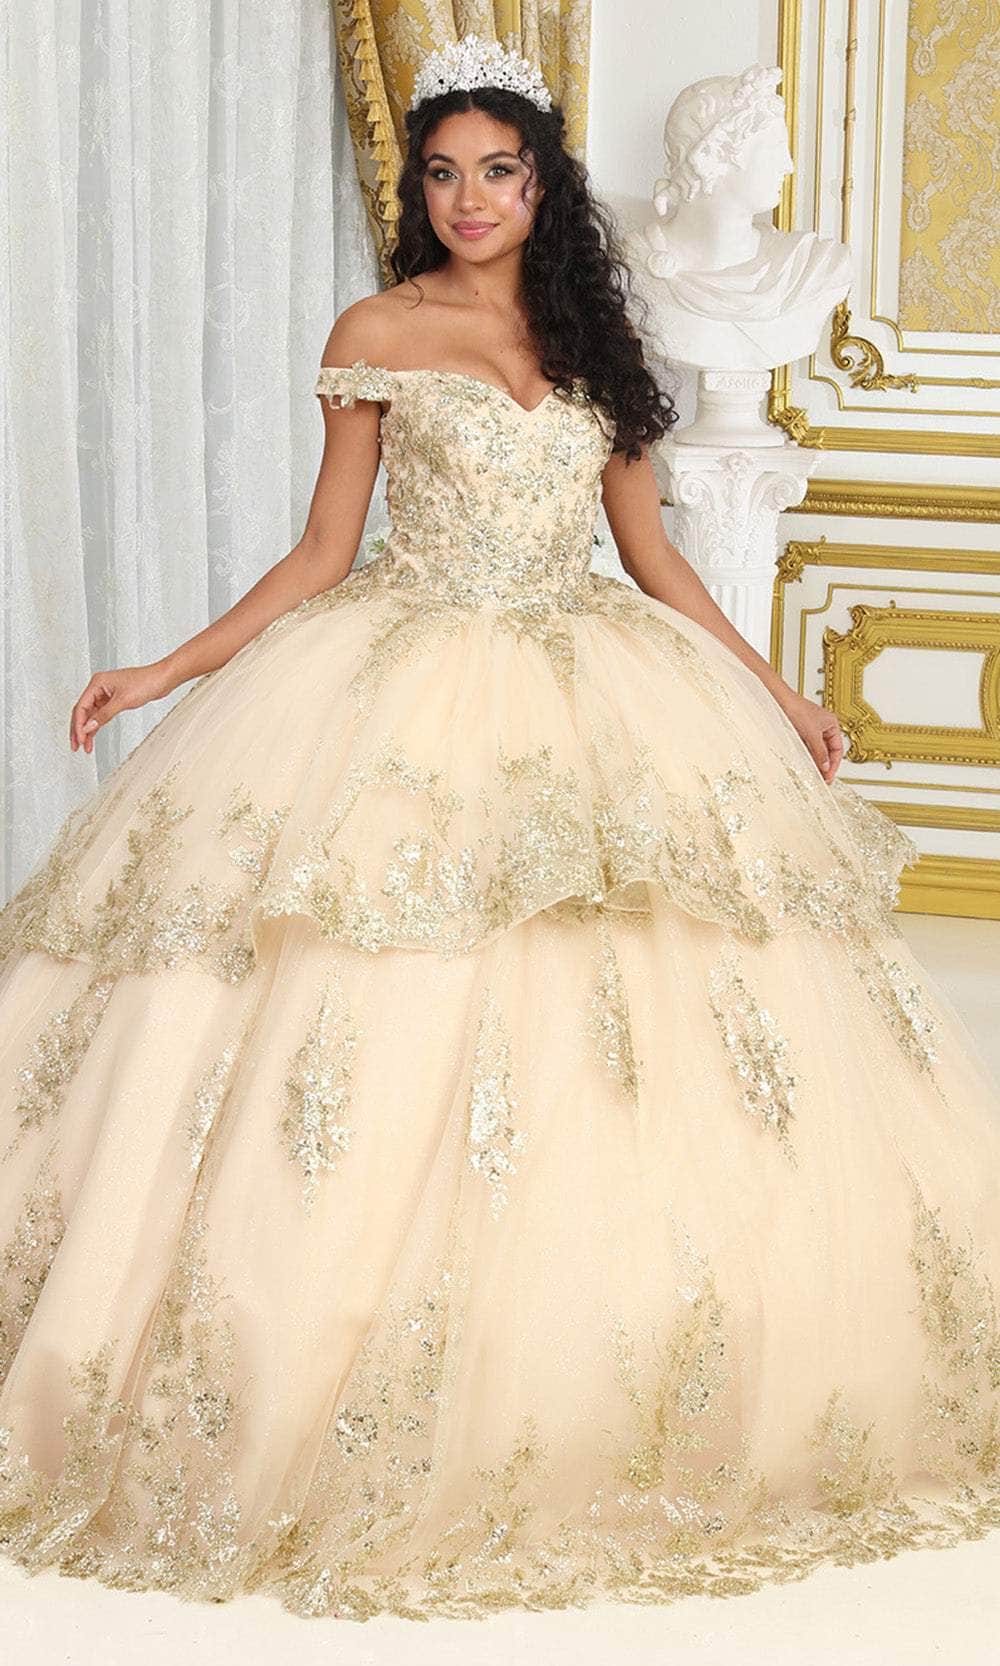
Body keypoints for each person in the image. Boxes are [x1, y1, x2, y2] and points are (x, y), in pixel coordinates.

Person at [1, 31, 999, 1626]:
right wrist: (167, 669)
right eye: (446, 174)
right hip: (403, 687)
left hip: (597, 682)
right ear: (423, 191)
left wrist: (776, 695)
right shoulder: (379, 331)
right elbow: (322, 554)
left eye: (501, 171)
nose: (471, 199)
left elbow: (654, 558)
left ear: (545, 186)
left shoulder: (595, 336)